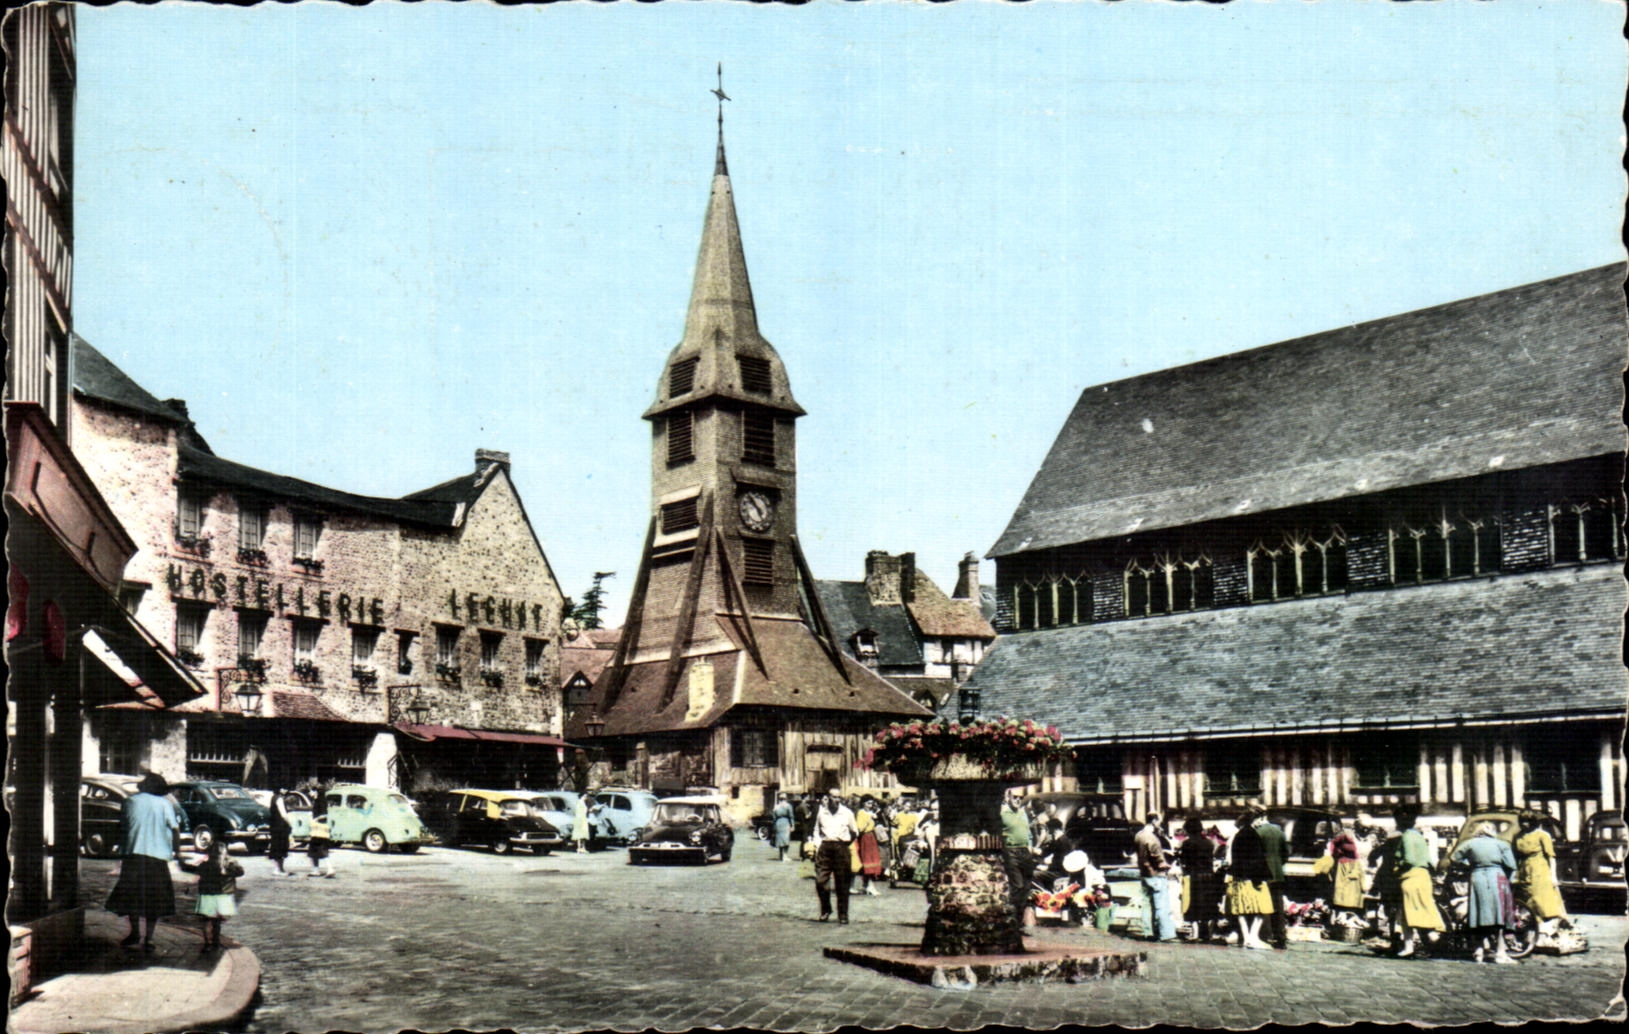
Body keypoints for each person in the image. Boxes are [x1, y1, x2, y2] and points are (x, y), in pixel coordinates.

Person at [105, 772, 183, 950]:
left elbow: (123, 828)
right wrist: (177, 852)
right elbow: (175, 829)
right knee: (154, 898)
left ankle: (134, 933)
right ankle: (149, 938)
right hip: (157, 858)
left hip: (133, 855)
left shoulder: (129, 801)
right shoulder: (165, 804)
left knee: (132, 896)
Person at [1452, 821, 1518, 964]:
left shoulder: (1469, 843)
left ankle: (1478, 951)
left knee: (1479, 915)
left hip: (1477, 877)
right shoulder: (1501, 844)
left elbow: (1454, 858)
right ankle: (1500, 952)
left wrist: (1468, 864)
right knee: (1499, 916)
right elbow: (1511, 865)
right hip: (1497, 877)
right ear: (1493, 831)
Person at [1393, 805, 1445, 958]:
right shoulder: (1419, 836)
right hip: (1424, 876)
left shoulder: (1406, 836)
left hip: (1411, 877)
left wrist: (1398, 867)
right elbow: (1428, 860)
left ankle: (1414, 943)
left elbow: (1409, 859)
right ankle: (1427, 937)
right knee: (1422, 907)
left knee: (1408, 912)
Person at [180, 838, 245, 952]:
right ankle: (216, 942)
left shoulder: (205, 865)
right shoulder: (228, 866)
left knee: (206, 921)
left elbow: (192, 869)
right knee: (217, 921)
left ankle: (208, 943)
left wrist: (181, 862)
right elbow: (241, 872)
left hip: (207, 895)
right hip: (223, 896)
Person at [1513, 811, 1569, 938]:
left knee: (1542, 901)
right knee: (1527, 901)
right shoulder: (1518, 836)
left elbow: (1551, 857)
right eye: (1522, 821)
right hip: (1524, 871)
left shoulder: (1542, 835)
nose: (1525, 824)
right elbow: (1515, 856)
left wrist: (1553, 876)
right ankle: (1532, 932)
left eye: (1527, 821)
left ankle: (1546, 931)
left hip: (1540, 871)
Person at [1226, 805, 1274, 949]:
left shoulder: (1239, 834)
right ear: (1257, 818)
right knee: (1263, 908)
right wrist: (1260, 878)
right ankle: (1253, 936)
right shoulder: (1252, 835)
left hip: (1239, 877)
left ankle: (1246, 937)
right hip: (1252, 877)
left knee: (1240, 909)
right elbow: (1257, 859)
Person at [811, 790, 859, 923]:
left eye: (839, 797)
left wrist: (845, 844)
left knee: (842, 883)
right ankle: (826, 909)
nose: (837, 800)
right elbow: (816, 830)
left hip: (841, 848)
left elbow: (855, 831)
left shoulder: (847, 813)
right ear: (828, 798)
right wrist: (818, 844)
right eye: (834, 797)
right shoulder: (822, 812)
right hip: (825, 848)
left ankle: (843, 914)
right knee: (820, 881)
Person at [1179, 816, 1223, 942]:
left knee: (1193, 904)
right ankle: (1206, 932)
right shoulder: (1209, 843)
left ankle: (1195, 932)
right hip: (1208, 876)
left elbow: (1184, 862)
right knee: (1207, 904)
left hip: (1194, 876)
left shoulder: (1187, 843)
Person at [1134, 812, 1176, 942]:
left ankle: (1148, 931)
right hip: (1156, 875)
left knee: (1147, 905)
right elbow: (1157, 858)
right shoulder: (1152, 838)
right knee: (1161, 905)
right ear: (1154, 821)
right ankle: (1165, 933)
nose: (1159, 824)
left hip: (1144, 874)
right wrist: (1167, 865)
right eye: (1158, 822)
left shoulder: (1139, 835)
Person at [1001, 789, 1038, 931]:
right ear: (1008, 797)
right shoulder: (1003, 814)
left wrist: (1029, 848)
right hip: (1011, 852)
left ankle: (1019, 921)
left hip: (1025, 852)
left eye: (1020, 798)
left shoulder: (1023, 813)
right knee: (1018, 886)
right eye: (1015, 797)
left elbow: (1028, 834)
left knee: (1027, 887)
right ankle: (1012, 921)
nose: (1017, 800)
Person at [1252, 809, 1290, 949]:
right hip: (1277, 873)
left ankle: (1265, 934)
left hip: (1263, 873)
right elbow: (1286, 854)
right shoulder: (1279, 833)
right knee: (1278, 905)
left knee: (1264, 904)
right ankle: (1280, 936)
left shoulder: (1257, 832)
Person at [1313, 824, 1366, 915]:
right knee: (1348, 893)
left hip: (1345, 867)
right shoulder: (1346, 840)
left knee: (1343, 892)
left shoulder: (1340, 841)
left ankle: (1341, 913)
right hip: (1351, 868)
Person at [854, 797, 885, 895]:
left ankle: (866, 884)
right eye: (868, 803)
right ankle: (870, 886)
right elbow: (860, 828)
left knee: (873, 860)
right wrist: (869, 818)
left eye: (871, 804)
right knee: (868, 861)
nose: (870, 806)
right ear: (863, 804)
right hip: (865, 838)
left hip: (872, 837)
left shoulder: (870, 813)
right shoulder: (861, 813)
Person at [306, 791, 336, 877]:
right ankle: (316, 870)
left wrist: (315, 820)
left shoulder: (320, 801)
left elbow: (324, 815)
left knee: (320, 849)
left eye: (311, 791)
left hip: (319, 829)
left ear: (316, 792)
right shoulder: (317, 800)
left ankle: (330, 869)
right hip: (317, 829)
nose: (309, 793)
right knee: (314, 850)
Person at [267, 788, 294, 876]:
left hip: (275, 826)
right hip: (280, 827)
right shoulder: (279, 798)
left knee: (278, 846)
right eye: (285, 788)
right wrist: (290, 824)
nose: (286, 791)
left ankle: (280, 869)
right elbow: (283, 814)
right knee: (280, 847)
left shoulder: (273, 797)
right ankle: (278, 869)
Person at [771, 792, 795, 862]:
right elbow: (791, 816)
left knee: (780, 840)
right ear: (786, 798)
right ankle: (785, 856)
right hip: (785, 823)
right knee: (786, 840)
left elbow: (774, 817)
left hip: (778, 824)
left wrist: (775, 825)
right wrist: (792, 825)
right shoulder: (788, 806)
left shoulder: (776, 806)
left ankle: (781, 855)